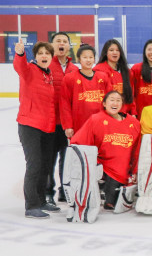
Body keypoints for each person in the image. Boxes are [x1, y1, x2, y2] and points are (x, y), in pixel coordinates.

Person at [69, 91, 142, 210]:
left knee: (121, 202)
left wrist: (135, 171)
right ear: (104, 103)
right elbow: (78, 143)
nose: (115, 103)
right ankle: (102, 189)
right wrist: (93, 165)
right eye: (112, 100)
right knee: (111, 204)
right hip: (105, 167)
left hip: (125, 169)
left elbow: (137, 151)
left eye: (118, 100)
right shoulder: (96, 120)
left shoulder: (134, 124)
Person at [14, 39, 59, 218]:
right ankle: (31, 205)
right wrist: (19, 54)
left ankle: (41, 200)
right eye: (40, 53)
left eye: (47, 53)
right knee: (34, 165)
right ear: (35, 56)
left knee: (45, 166)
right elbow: (20, 67)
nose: (44, 56)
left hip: (47, 127)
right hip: (30, 125)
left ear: (51, 57)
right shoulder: (30, 70)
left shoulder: (49, 75)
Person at [47, 32, 78, 204]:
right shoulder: (46, 65)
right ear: (52, 45)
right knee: (49, 159)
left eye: (65, 41)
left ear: (68, 46)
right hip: (50, 122)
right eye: (58, 41)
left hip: (68, 124)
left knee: (67, 160)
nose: (61, 44)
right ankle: (48, 192)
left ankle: (64, 191)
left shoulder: (74, 69)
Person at [60, 44, 112, 141]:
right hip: (78, 125)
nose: (88, 60)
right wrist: (68, 125)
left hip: (101, 124)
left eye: (91, 57)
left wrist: (111, 120)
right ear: (79, 59)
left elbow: (110, 100)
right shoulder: (69, 78)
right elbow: (65, 104)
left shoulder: (103, 77)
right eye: (85, 57)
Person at [95, 39, 135, 115]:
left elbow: (130, 94)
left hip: (124, 113)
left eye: (117, 50)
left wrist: (133, 112)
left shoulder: (127, 71)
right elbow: (98, 98)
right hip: (106, 114)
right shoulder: (98, 70)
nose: (115, 52)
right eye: (111, 50)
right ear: (106, 53)